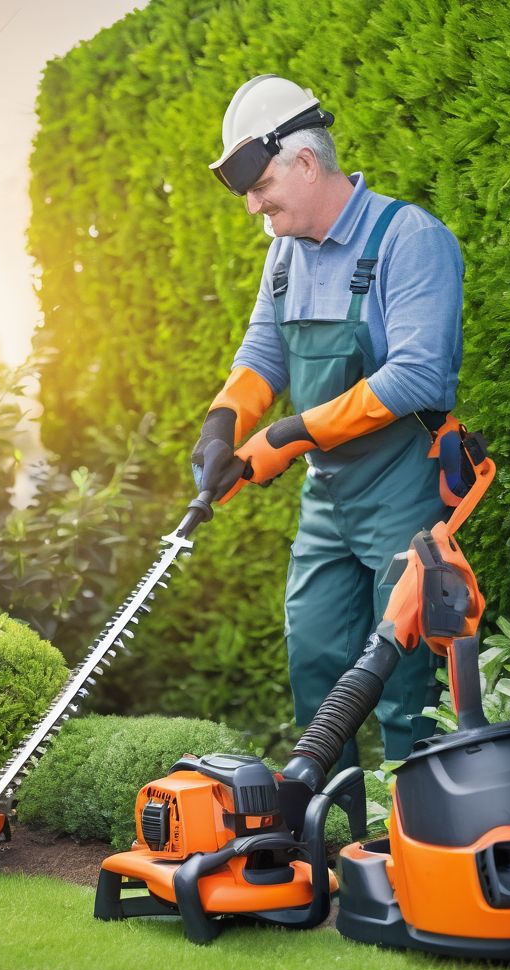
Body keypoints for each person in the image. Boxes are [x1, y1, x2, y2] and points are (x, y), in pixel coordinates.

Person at [191, 75, 464, 768]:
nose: (254, 205)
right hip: (328, 498)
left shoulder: (409, 238)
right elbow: (263, 352)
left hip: (404, 489)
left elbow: (415, 377)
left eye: (261, 187)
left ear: (306, 164)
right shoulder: (283, 252)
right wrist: (224, 423)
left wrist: (284, 436)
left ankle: (415, 840)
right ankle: (332, 840)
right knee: (314, 659)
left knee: (403, 679)